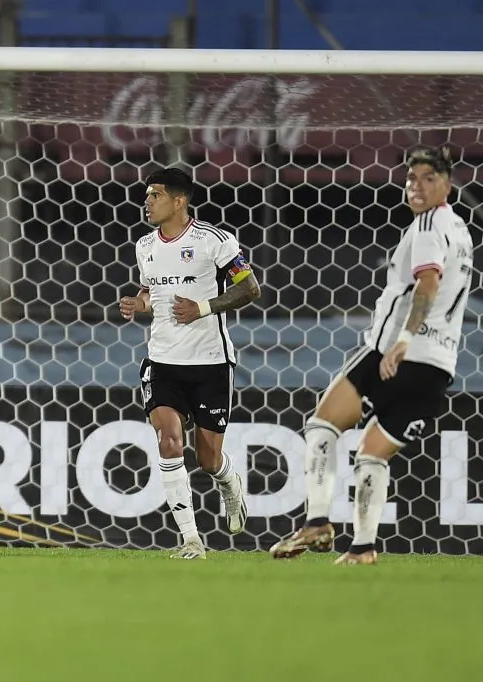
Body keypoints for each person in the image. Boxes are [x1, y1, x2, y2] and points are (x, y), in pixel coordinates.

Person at [270, 145, 474, 565]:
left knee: (323, 424)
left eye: (428, 179)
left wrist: (401, 341)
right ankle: (362, 548)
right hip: (438, 367)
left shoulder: (428, 227)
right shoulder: (460, 230)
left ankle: (318, 520)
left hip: (398, 352)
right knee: (371, 453)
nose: (416, 186)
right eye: (411, 178)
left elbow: (428, 285)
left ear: (447, 184)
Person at [119, 167, 260, 559]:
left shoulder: (216, 241)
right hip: (162, 359)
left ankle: (230, 483)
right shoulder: (144, 245)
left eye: (156, 195)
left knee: (208, 458)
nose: (147, 202)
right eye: (147, 195)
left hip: (211, 362)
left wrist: (202, 307)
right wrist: (139, 304)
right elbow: (151, 294)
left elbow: (250, 288)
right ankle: (191, 539)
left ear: (180, 200)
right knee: (168, 440)